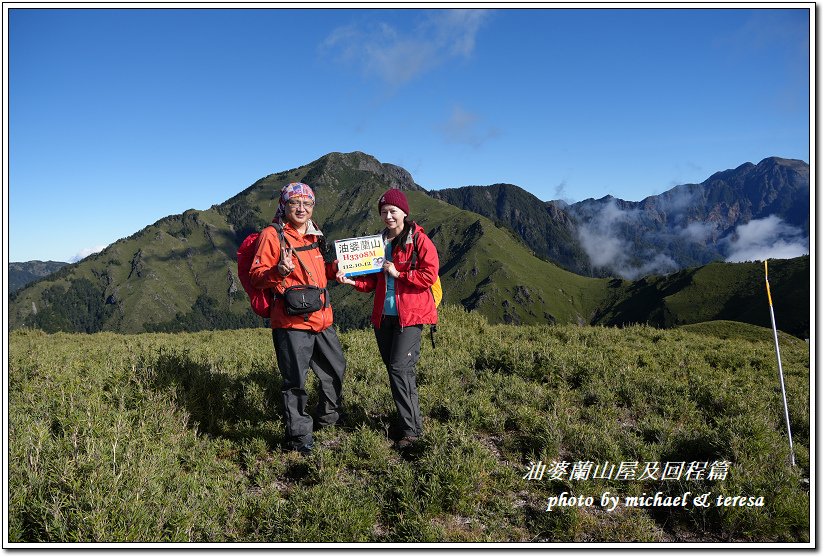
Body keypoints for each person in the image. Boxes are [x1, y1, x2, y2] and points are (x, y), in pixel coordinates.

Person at [337, 188, 439, 450]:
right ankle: (406, 422)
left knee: (400, 369)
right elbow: (372, 282)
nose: (388, 216)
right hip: (384, 317)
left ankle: (412, 432)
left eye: (393, 211)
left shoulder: (419, 241)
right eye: (384, 212)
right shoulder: (378, 243)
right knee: (396, 371)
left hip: (410, 317)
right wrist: (351, 280)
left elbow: (429, 275)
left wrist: (398, 273)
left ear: (404, 212)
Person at [250, 182, 345, 455]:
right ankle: (299, 437)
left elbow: (316, 274)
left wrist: (335, 269)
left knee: (335, 370)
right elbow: (257, 277)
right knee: (295, 382)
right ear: (284, 205)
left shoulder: (314, 235)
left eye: (307, 203)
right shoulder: (272, 235)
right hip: (291, 323)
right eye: (295, 203)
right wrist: (278, 272)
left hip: (322, 319)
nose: (302, 208)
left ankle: (328, 419)